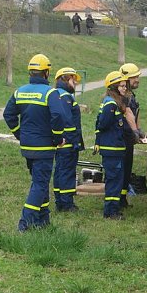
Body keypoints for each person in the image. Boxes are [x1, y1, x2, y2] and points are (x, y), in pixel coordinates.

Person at [3, 54, 70, 231]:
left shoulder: (19, 92)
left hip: (27, 147)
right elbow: (58, 115)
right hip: (44, 147)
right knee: (40, 185)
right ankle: (25, 223)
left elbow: (8, 114)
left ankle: (42, 220)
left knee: (40, 181)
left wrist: (19, 134)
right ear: (47, 73)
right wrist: (58, 138)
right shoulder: (50, 93)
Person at [94, 70, 129, 219]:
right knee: (114, 181)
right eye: (122, 86)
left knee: (116, 180)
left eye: (125, 85)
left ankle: (113, 209)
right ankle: (110, 212)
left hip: (115, 148)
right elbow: (102, 123)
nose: (125, 88)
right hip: (112, 149)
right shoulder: (110, 104)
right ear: (114, 87)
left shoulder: (113, 102)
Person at [52, 67, 84, 212]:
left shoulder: (57, 95)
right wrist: (73, 141)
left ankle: (60, 201)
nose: (76, 83)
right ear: (64, 79)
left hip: (61, 141)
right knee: (67, 172)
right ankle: (66, 204)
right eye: (73, 79)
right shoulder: (65, 97)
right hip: (67, 142)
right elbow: (67, 121)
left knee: (60, 171)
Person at [119, 62, 145, 208]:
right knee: (122, 169)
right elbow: (128, 113)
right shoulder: (122, 96)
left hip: (128, 138)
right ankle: (118, 200)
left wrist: (138, 130)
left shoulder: (130, 95)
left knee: (127, 169)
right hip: (122, 138)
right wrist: (135, 131)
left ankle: (122, 199)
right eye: (135, 77)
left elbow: (135, 112)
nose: (137, 80)